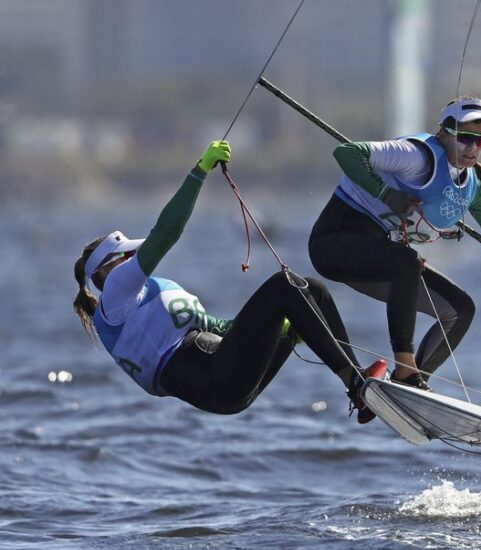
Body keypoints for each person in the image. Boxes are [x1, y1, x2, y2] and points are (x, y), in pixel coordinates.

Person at [73, 140, 386, 420]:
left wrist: (285, 329)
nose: (132, 260)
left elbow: (220, 330)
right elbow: (166, 234)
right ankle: (357, 384)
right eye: (125, 256)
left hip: (230, 388)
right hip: (212, 380)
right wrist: (199, 171)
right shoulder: (113, 298)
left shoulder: (153, 294)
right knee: (284, 285)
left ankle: (358, 383)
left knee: (310, 291)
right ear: (105, 271)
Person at [308, 96, 481, 390]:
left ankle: (407, 387)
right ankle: (405, 367)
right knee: (407, 261)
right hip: (332, 244)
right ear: (446, 133)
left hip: (378, 256)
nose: (473, 148)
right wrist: (386, 193)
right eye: (466, 139)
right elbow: (346, 152)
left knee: (461, 309)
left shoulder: (473, 188)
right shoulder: (415, 155)